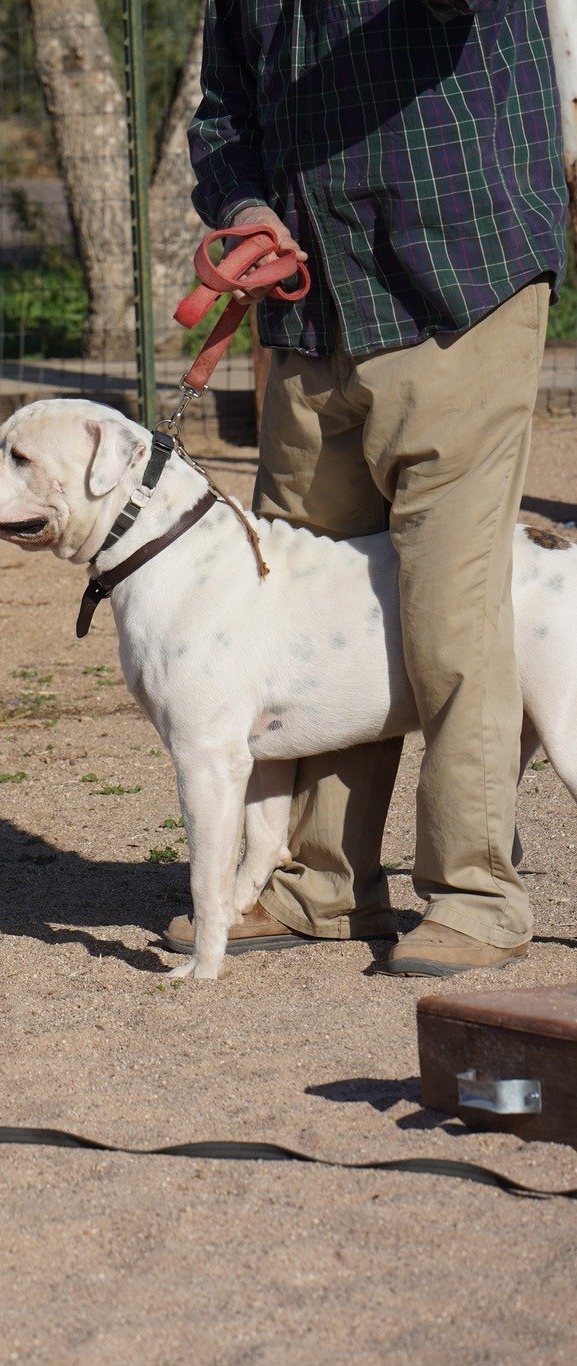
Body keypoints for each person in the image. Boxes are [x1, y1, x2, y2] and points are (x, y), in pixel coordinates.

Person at [180, 0, 567, 975]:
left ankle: (475, 898)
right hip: (309, 308)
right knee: (303, 610)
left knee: (446, 611)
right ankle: (318, 886)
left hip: (454, 279)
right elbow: (223, 111)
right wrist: (241, 208)